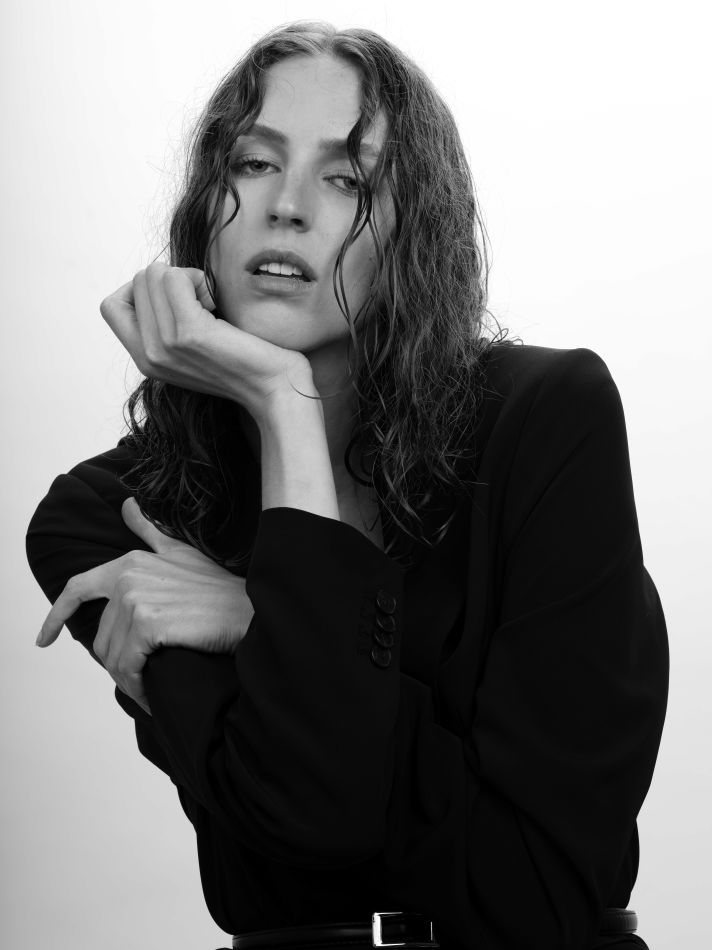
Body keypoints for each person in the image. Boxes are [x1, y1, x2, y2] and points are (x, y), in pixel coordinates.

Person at [25, 20, 668, 950]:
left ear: (416, 236)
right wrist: (283, 405)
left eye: (348, 180)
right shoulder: (110, 521)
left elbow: (536, 892)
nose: (286, 207)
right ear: (206, 208)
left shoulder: (545, 422)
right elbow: (306, 807)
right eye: (253, 163)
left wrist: (259, 616)